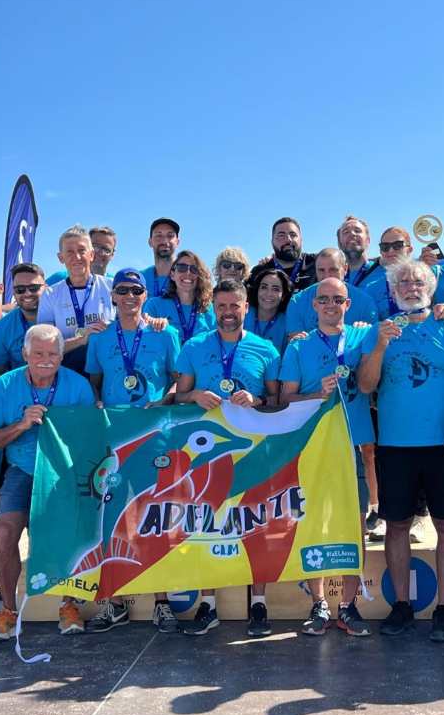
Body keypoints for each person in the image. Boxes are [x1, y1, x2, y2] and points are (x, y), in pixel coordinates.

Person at [358, 260, 444, 643]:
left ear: (430, 288)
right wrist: (378, 345)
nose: (411, 287)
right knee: (396, 525)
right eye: (403, 283)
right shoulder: (382, 332)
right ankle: (402, 606)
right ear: (393, 292)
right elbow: (365, 386)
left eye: (417, 282)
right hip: (395, 445)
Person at [174, 279, 281, 637]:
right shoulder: (194, 346)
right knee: (207, 524)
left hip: (254, 449)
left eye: (235, 306)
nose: (228, 313)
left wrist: (256, 400)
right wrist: (196, 396)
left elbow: (277, 400)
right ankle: (209, 604)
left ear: (245, 307)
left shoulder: (265, 349)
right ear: (213, 309)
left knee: (257, 525)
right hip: (208, 454)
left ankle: (259, 605)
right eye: (221, 307)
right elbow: (180, 395)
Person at [0, 324, 97, 640]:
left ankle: (68, 606)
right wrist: (21, 424)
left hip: (62, 473)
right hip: (22, 470)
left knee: (66, 538)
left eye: (53, 353)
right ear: (25, 354)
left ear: (61, 354)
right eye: (39, 353)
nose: (46, 360)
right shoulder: (5, 386)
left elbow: (92, 437)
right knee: (5, 534)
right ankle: (7, 611)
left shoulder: (79, 386)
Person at [84, 268, 184, 633]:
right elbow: (95, 383)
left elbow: (179, 382)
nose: (129, 296)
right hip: (114, 442)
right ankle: (114, 602)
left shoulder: (165, 333)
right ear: (112, 296)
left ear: (145, 296)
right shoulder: (100, 338)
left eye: (136, 290)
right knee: (113, 522)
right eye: (122, 290)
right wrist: (97, 404)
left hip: (155, 439)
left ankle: (161, 603)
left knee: (153, 519)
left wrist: (167, 399)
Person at [279, 277, 373, 638]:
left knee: (355, 525)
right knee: (314, 523)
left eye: (338, 299)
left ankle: (349, 606)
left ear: (348, 304)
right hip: (313, 447)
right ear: (314, 305)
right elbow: (286, 399)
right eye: (324, 300)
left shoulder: (362, 337)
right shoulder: (299, 347)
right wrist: (317, 394)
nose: (331, 305)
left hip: (353, 444)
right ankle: (317, 603)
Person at [37, 225, 115, 373]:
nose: (77, 257)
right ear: (61, 258)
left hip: (106, 368)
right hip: (66, 370)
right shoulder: (50, 294)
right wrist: (81, 340)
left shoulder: (112, 288)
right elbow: (45, 347)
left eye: (81, 251)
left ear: (91, 255)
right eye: (70, 252)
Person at [285, 248, 378, 338]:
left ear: (345, 269)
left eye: (333, 270)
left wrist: (365, 332)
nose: (327, 276)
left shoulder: (365, 302)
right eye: (321, 270)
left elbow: (371, 344)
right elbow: (296, 345)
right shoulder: (297, 301)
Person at [144, 250, 216, 344]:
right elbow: (143, 339)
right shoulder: (155, 305)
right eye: (182, 268)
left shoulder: (209, 309)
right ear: (172, 274)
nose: (188, 273)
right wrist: (153, 324)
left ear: (199, 276)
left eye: (194, 269)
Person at [0, 263, 46, 375]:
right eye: (20, 289)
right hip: (24, 388)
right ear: (13, 292)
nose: (27, 293)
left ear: (46, 287)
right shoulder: (3, 327)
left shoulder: (63, 313)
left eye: (34, 288)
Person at [249, 217, 318, 290]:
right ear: (272, 242)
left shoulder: (317, 262)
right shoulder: (259, 271)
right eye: (281, 235)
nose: (288, 240)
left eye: (293, 235)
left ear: (301, 240)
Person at [361, 227, 414, 320]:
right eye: (385, 247)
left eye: (398, 245)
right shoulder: (370, 289)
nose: (391, 250)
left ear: (409, 250)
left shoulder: (425, 280)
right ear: (381, 251)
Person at [244, 267, 292, 354]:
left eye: (275, 289)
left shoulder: (288, 324)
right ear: (257, 290)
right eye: (264, 287)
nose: (268, 294)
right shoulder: (243, 314)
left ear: (283, 295)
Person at [46, 226, 117, 284]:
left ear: (112, 255)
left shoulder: (116, 284)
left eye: (106, 249)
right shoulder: (59, 279)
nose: (99, 252)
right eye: (95, 246)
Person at [338, 215, 383, 290]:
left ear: (368, 240)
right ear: (339, 243)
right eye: (346, 232)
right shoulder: (335, 278)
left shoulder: (386, 274)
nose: (352, 234)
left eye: (357, 231)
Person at [142, 218, 181, 298]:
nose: (164, 241)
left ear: (177, 242)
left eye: (170, 236)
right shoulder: (140, 278)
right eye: (159, 235)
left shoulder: (187, 278)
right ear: (150, 242)